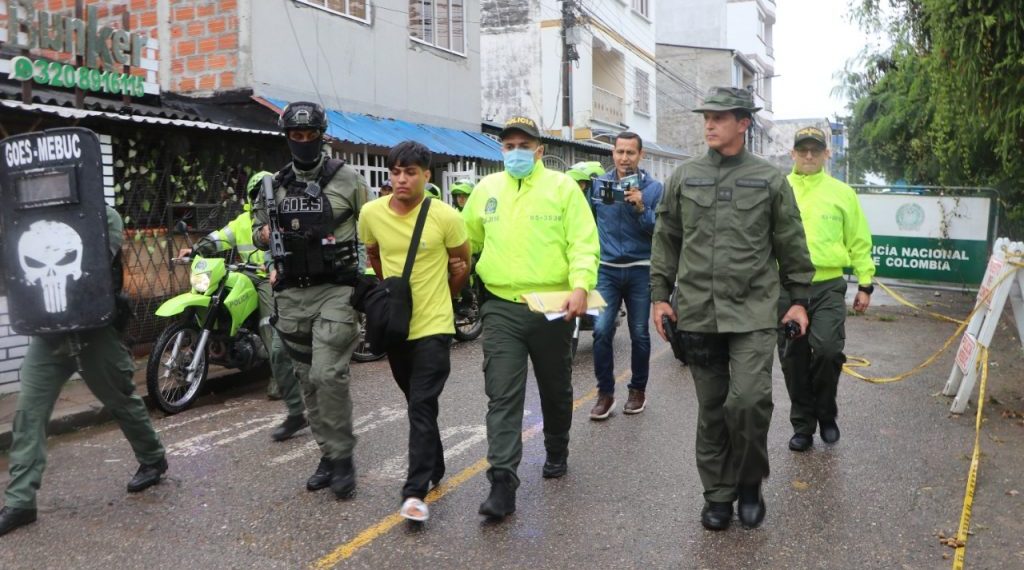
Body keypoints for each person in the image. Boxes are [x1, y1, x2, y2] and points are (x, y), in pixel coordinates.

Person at [650, 87, 814, 531]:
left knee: (749, 401)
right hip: (699, 314)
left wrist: (798, 301)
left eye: (720, 117)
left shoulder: (769, 179)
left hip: (755, 313)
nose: (709, 124)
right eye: (707, 117)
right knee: (713, 407)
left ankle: (749, 483)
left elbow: (790, 242)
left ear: (743, 123)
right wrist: (660, 296)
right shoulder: (684, 176)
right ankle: (717, 494)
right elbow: (666, 240)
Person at [462, 116, 600, 520]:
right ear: (501, 150)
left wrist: (580, 285)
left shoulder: (562, 189)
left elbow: (583, 242)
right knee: (502, 393)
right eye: (509, 146)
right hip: (502, 305)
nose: (516, 153)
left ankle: (557, 445)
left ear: (540, 149)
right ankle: (502, 482)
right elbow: (467, 242)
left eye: (524, 145)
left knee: (555, 387)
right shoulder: (486, 190)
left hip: (554, 307)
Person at [0, 206, 168, 537]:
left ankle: (153, 459)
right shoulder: (25, 224)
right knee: (28, 413)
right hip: (49, 335)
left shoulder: (103, 216)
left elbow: (92, 265)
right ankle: (20, 501)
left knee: (121, 399)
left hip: (95, 330)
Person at [251, 101, 369, 500]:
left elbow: (369, 229)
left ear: (322, 136)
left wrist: (366, 281)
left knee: (327, 374)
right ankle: (328, 453)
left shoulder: (348, 179)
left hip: (336, 288)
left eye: (310, 136)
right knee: (307, 381)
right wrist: (266, 236)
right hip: (291, 293)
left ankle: (343, 459)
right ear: (287, 138)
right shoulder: (273, 185)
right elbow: (256, 230)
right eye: (296, 136)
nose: (303, 142)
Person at [359, 141, 471, 522]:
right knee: (417, 404)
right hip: (397, 328)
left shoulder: (446, 216)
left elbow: (461, 266)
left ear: (426, 175)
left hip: (436, 326)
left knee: (422, 403)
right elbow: (373, 256)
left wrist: (444, 299)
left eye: (410, 172)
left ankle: (414, 492)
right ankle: (435, 466)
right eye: (395, 172)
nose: (401, 179)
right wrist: (393, 301)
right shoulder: (371, 214)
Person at [178, 171, 307, 442]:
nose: (264, 196)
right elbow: (218, 238)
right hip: (246, 274)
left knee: (268, 322)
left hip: (269, 279)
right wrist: (196, 249)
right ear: (252, 196)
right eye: (259, 192)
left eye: (267, 191)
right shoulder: (241, 222)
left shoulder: (283, 217)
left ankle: (279, 378)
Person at [781, 126, 875, 452]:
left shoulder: (842, 193)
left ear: (826, 154)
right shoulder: (779, 188)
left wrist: (865, 284)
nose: (809, 156)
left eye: (815, 150)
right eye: (802, 150)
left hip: (828, 285)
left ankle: (826, 412)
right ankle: (803, 426)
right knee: (794, 359)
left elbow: (859, 240)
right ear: (792, 153)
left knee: (827, 351)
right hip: (786, 286)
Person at [588, 132, 664, 420]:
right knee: (601, 331)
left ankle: (637, 391)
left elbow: (659, 231)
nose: (624, 158)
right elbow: (588, 226)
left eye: (630, 152)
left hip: (640, 269)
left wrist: (641, 207)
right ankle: (605, 394)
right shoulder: (598, 186)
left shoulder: (655, 189)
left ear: (640, 155)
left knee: (640, 334)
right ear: (612, 153)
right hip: (606, 270)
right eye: (620, 152)